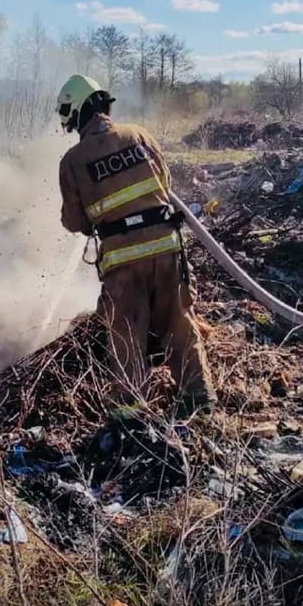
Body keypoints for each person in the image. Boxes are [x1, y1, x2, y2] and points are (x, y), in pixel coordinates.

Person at [55, 74, 216, 411]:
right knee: (179, 321)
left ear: (78, 112)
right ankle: (200, 398)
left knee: (127, 332)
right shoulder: (140, 135)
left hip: (123, 260)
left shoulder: (73, 161)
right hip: (167, 247)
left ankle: (131, 412)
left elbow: (75, 222)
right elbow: (165, 184)